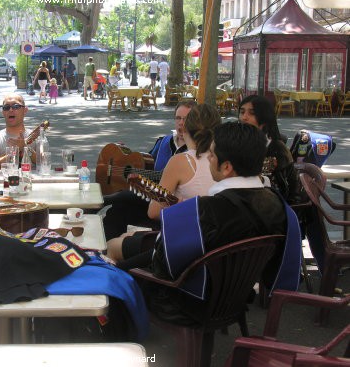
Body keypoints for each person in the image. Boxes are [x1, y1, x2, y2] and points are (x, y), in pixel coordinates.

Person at [109, 122, 301, 324]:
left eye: (211, 154)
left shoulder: (205, 211)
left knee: (113, 267)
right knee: (130, 241)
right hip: (236, 297)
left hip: (189, 302)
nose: (208, 158)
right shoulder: (279, 207)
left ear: (226, 167)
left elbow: (163, 266)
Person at [107, 103, 221, 261]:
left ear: (185, 128)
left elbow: (153, 212)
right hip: (216, 247)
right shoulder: (223, 161)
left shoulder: (182, 160)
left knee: (112, 245)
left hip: (183, 247)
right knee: (125, 220)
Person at [102, 101, 194, 240]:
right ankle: (105, 252)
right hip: (149, 198)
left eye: (186, 119)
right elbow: (144, 163)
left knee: (125, 197)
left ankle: (101, 201)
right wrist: (123, 159)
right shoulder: (164, 141)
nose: (181, 123)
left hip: (170, 206)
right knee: (117, 210)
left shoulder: (195, 150)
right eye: (178, 118)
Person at [238, 95, 301, 204]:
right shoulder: (238, 143)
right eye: (242, 112)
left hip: (275, 208)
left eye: (252, 113)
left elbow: (285, 191)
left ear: (264, 119)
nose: (244, 117)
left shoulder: (277, 149)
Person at [0, 93, 36, 172]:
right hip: (4, 183)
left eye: (16, 106)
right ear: (3, 112)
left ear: (25, 110)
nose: (11, 110)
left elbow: (45, 161)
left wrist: (25, 148)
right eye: (6, 107)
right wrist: (11, 155)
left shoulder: (38, 137)